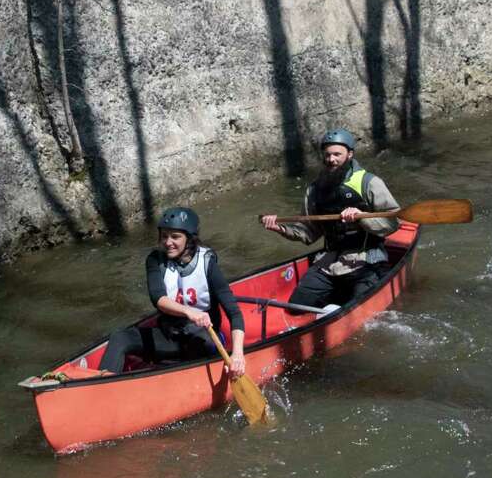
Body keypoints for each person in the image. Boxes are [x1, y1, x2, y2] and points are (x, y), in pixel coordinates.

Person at [260, 128, 399, 310]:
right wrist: (280, 228)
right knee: (296, 308)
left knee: (359, 307)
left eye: (337, 154)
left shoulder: (369, 183)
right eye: (327, 155)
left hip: (367, 261)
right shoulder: (315, 190)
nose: (331, 160)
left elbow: (392, 223)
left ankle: (348, 294)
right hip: (331, 261)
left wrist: (362, 217)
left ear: (350, 154)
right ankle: (337, 292)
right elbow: (309, 233)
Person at [99, 207, 247, 377]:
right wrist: (189, 311)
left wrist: (237, 354)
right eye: (164, 236)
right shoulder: (155, 260)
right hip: (169, 336)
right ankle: (104, 384)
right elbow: (158, 299)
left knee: (200, 344)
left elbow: (234, 313)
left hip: (202, 338)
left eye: (175, 237)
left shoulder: (207, 263)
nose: (168, 242)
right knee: (120, 337)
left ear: (189, 239)